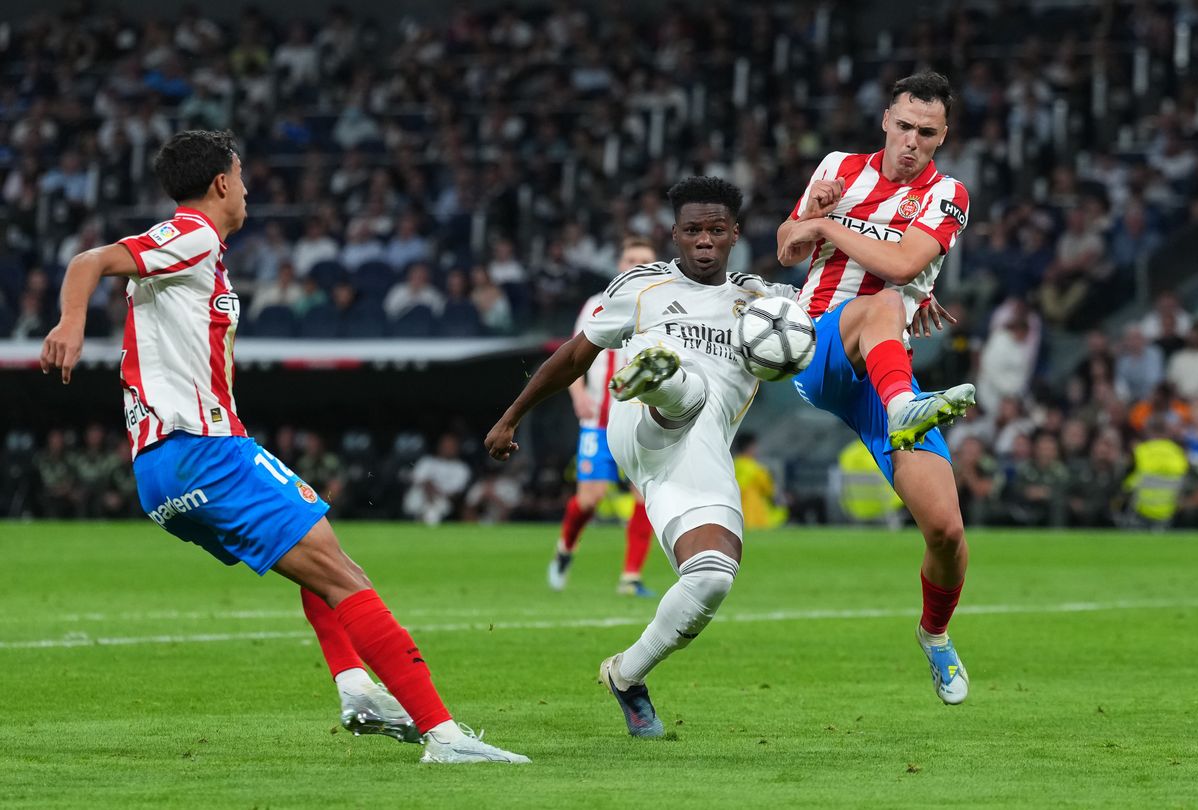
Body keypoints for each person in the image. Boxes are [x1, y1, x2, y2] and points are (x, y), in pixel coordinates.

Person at [39, 130, 527, 765]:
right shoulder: (194, 235)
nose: (246, 189)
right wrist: (71, 322)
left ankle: (357, 689)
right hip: (202, 450)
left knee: (322, 554)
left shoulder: (190, 254)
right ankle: (442, 734)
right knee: (344, 575)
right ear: (221, 183)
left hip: (163, 469)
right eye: (240, 176)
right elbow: (87, 261)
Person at [487, 176, 797, 738]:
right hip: (635, 428)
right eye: (693, 230)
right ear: (674, 234)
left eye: (716, 231)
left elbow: (842, 309)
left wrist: (906, 304)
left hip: (696, 458)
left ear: (735, 235)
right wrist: (512, 415)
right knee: (690, 387)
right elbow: (574, 355)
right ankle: (659, 379)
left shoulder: (763, 302)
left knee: (712, 580)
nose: (705, 240)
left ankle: (627, 676)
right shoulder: (642, 287)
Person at [775, 72, 976, 704]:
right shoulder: (836, 166)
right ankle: (903, 409)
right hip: (818, 345)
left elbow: (902, 263)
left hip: (883, 368)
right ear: (885, 120)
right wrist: (813, 214)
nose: (913, 142)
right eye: (905, 127)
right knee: (884, 301)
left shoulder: (948, 193)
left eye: (928, 132)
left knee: (946, 530)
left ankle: (935, 635)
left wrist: (827, 225)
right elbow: (784, 249)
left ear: (943, 136)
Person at [549, 235, 659, 598]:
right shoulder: (598, 303)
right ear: (620, 265)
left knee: (644, 495)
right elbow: (574, 354)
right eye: (631, 260)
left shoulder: (664, 305)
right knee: (590, 499)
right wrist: (577, 392)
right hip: (599, 418)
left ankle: (630, 577)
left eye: (644, 260)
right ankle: (566, 546)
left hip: (642, 418)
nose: (637, 266)